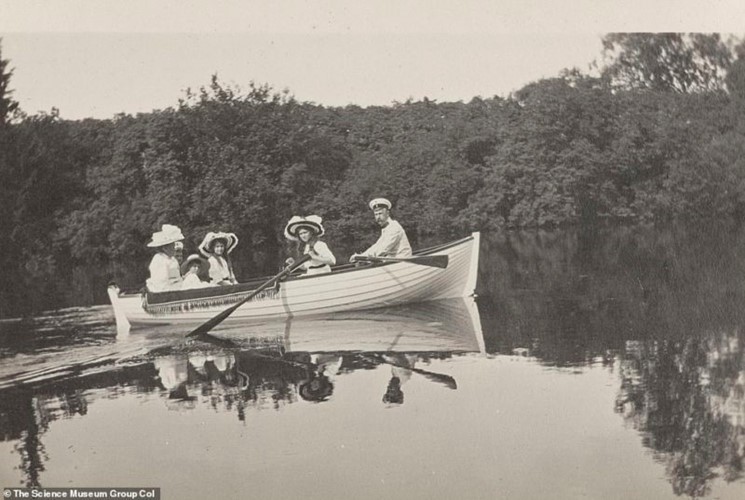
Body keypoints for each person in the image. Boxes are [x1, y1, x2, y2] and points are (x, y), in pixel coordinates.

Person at [350, 198, 412, 263]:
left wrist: (363, 258)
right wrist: (361, 256)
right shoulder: (386, 228)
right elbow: (377, 246)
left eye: (380, 213)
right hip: (393, 261)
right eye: (376, 214)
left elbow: (384, 249)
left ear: (387, 213)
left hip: (404, 262)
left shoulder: (394, 227)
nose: (378, 217)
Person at [145, 224, 185, 292]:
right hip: (167, 290)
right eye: (172, 246)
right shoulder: (159, 260)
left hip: (177, 287)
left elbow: (177, 278)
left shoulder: (172, 259)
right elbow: (161, 284)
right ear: (165, 248)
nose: (174, 248)